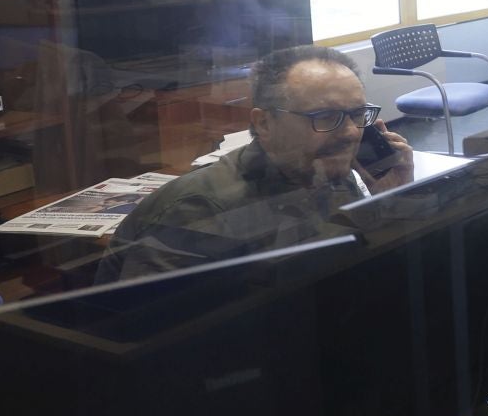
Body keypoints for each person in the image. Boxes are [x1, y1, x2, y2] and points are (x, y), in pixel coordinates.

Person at [96, 45, 414, 282]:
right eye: (326, 116)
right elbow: (160, 344)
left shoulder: (330, 173)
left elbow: (356, 270)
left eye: (358, 115)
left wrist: (390, 200)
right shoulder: (200, 211)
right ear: (264, 123)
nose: (350, 133)